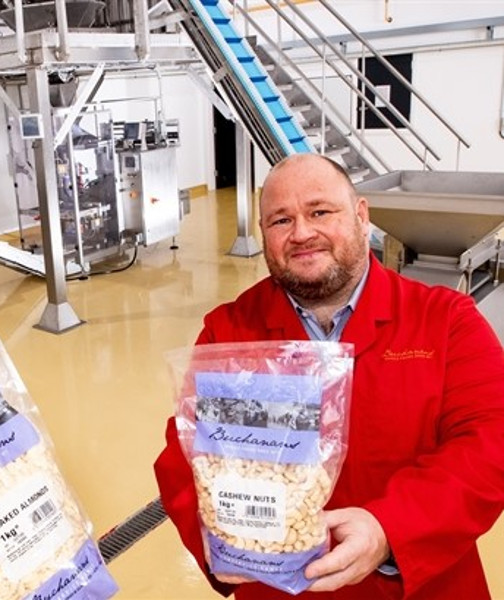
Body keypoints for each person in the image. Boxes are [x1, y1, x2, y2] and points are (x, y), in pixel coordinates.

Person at [154, 153, 504, 599]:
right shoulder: (231, 329)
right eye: (281, 220)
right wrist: (214, 540)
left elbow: (490, 444)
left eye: (320, 211)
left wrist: (389, 529)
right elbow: (186, 456)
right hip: (278, 587)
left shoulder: (446, 320)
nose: (302, 233)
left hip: (417, 584)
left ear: (361, 216)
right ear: (263, 234)